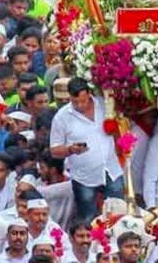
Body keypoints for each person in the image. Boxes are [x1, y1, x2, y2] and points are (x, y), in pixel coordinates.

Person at [49, 78, 123, 223]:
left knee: (118, 214)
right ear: (69, 97)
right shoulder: (62, 117)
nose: (80, 105)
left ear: (89, 94)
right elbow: (54, 150)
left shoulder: (104, 104)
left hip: (111, 170)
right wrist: (71, 149)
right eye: (75, 102)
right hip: (84, 177)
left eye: (83, 101)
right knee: (88, 219)